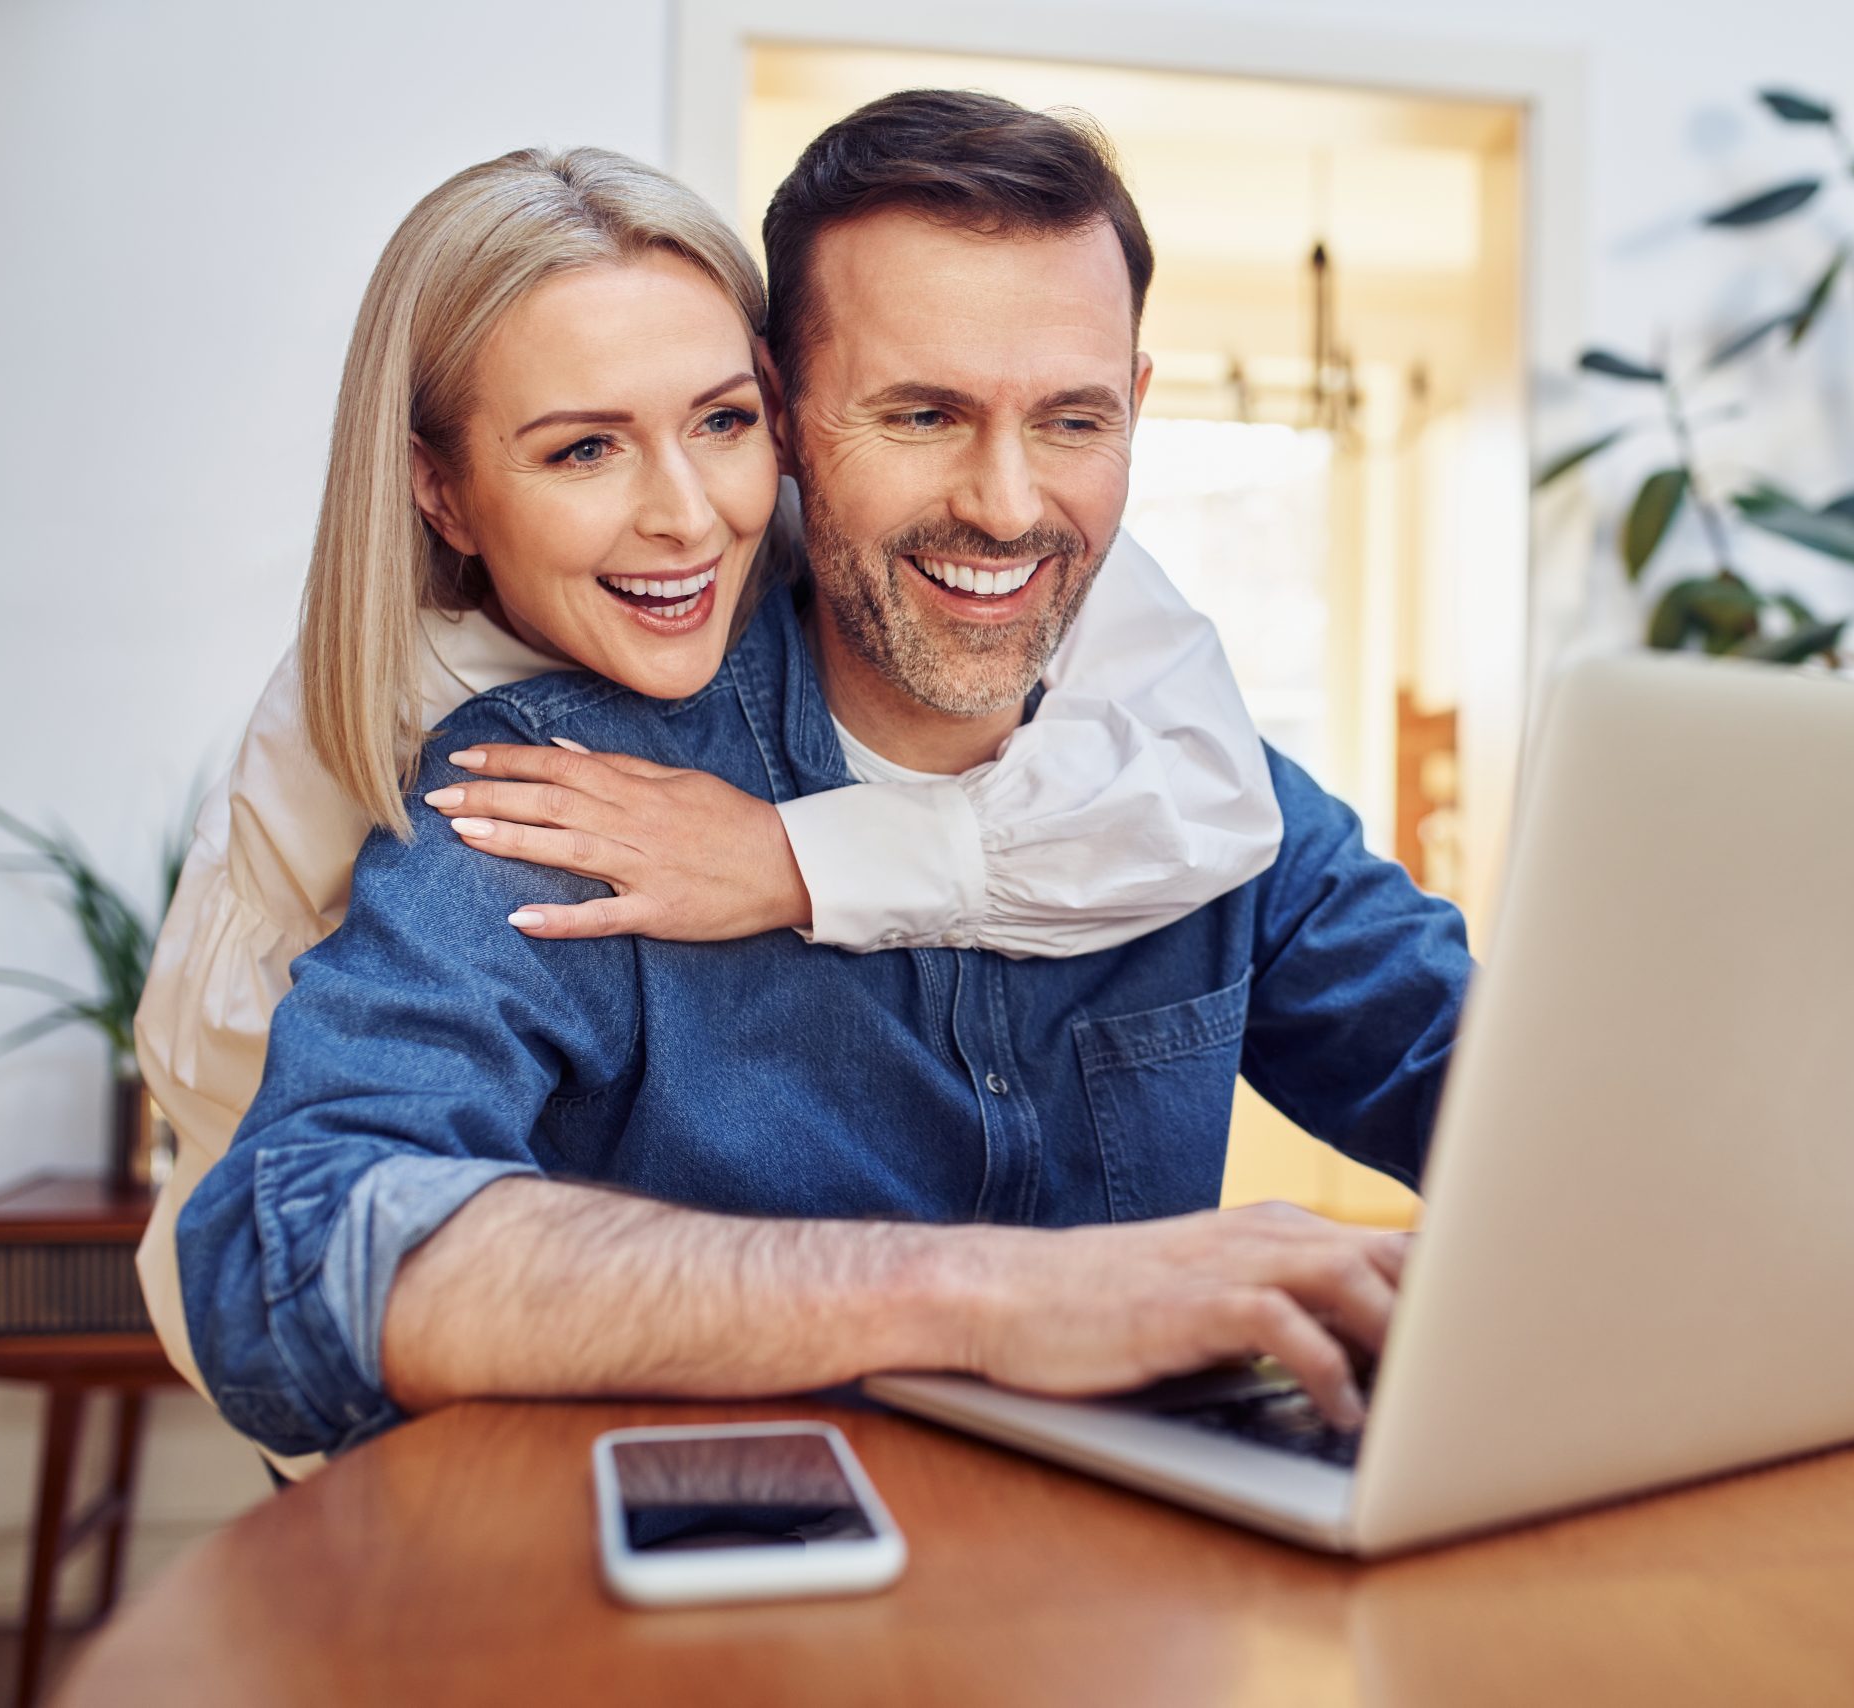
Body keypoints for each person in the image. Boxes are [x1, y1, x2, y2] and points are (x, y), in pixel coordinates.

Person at [176, 91, 1472, 1464]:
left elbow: (1501, 1093)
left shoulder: (1195, 789)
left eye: (1075, 420)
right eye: (922, 414)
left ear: (1137, 410)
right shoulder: (563, 799)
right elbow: (291, 1259)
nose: (1008, 505)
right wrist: (990, 1297)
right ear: (787, 419)